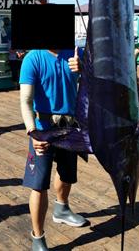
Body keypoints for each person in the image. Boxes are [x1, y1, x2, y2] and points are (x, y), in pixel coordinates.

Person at [19, 48, 88, 250]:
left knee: (67, 174)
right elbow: (26, 99)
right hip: (43, 128)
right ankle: (38, 238)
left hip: (70, 126)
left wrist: (84, 69)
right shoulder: (33, 57)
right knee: (39, 184)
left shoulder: (76, 52)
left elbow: (96, 84)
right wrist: (32, 132)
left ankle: (62, 209)